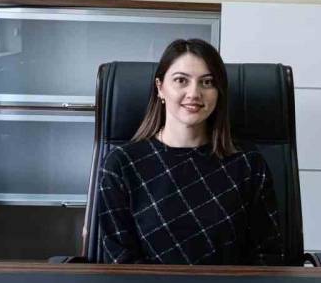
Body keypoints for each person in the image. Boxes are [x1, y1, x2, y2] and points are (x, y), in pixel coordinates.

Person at [97, 39, 285, 265]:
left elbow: (267, 256)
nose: (194, 93)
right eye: (181, 80)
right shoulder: (121, 164)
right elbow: (119, 260)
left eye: (207, 82)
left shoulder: (248, 164)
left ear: (218, 92)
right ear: (160, 88)